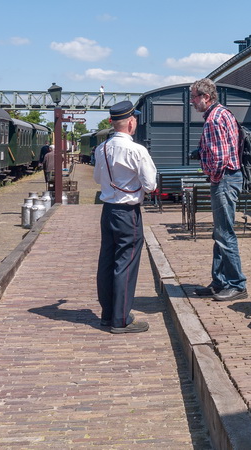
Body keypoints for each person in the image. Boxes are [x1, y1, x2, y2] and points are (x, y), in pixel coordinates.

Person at [93, 101, 158, 333]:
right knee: (126, 263)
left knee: (107, 261)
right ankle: (120, 319)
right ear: (131, 122)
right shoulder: (137, 150)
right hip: (128, 213)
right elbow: (150, 185)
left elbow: (96, 179)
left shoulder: (101, 149)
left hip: (107, 209)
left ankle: (107, 313)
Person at [189, 78, 248, 302]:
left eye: (194, 97)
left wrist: (213, 177)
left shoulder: (213, 119)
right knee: (221, 233)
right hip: (229, 178)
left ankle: (237, 284)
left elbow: (220, 159)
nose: (192, 102)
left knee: (225, 234)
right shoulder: (224, 113)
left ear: (206, 97)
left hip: (224, 179)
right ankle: (220, 281)